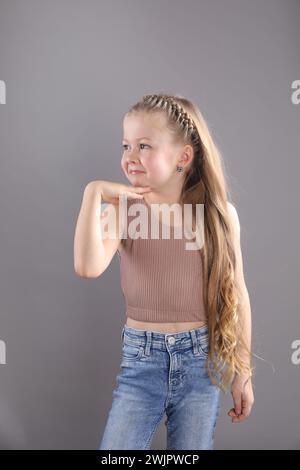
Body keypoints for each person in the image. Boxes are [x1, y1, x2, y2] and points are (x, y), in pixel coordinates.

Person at [74, 93, 255, 450]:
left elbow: (238, 292)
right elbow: (87, 267)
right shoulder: (124, 210)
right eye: (126, 145)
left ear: (183, 157)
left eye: (144, 146)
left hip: (201, 366)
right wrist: (92, 194)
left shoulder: (218, 216)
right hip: (141, 363)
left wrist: (243, 373)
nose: (130, 157)